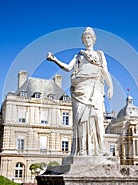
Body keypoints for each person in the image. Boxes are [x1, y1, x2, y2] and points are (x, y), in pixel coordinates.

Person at [47, 27, 113, 156]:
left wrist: (111, 87)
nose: (87, 40)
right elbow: (68, 68)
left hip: (96, 87)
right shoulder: (79, 55)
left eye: (89, 37)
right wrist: (55, 60)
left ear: (93, 40)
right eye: (85, 38)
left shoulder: (100, 54)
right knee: (82, 119)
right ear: (83, 41)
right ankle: (82, 149)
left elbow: (105, 71)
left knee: (98, 118)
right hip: (80, 89)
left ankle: (101, 148)